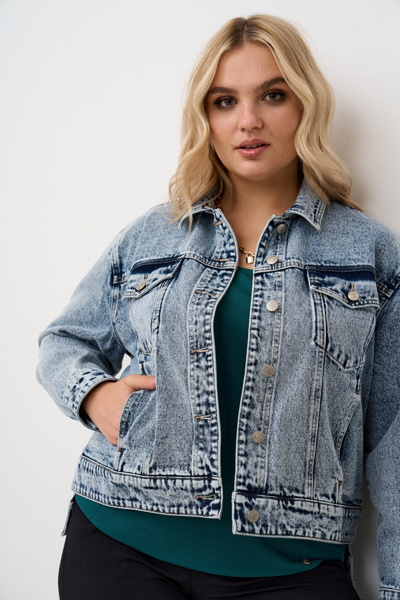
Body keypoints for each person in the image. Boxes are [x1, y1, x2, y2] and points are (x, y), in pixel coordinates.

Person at [37, 14, 400, 600]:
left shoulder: (369, 252)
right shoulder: (156, 233)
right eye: (224, 101)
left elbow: (394, 436)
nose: (248, 120)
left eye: (273, 95)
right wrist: (94, 396)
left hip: (292, 565)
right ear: (205, 118)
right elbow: (64, 340)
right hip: (121, 540)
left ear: (305, 105)